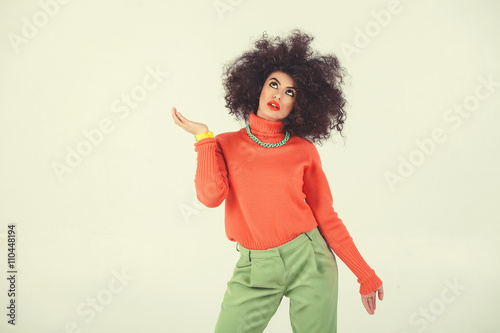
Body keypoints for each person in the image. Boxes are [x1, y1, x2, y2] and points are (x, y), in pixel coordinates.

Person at [171, 29, 384, 333]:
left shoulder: (304, 151)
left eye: (290, 92)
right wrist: (203, 138)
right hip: (254, 269)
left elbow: (326, 216)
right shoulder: (225, 144)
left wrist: (365, 274)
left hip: (309, 260)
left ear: (298, 104)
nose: (278, 95)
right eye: (273, 84)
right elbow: (210, 197)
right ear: (256, 87)